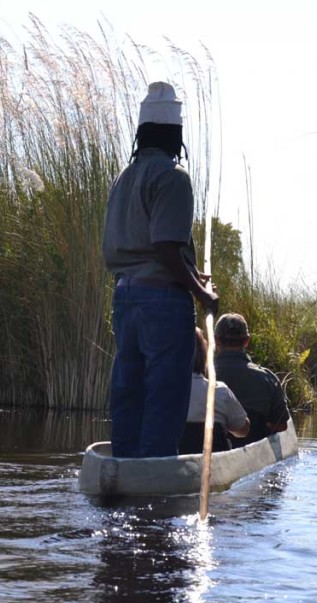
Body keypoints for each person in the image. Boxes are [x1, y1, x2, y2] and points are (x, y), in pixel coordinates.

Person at [103, 82, 218, 458]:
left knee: (129, 390)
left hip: (125, 297)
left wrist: (190, 271)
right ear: (175, 135)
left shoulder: (124, 178)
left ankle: (123, 466)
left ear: (143, 133)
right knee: (164, 395)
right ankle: (152, 478)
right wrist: (200, 293)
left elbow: (154, 248)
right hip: (162, 303)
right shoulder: (173, 177)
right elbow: (165, 246)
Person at [213, 313, 290, 447]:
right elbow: (282, 426)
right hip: (255, 456)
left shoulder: (202, 376)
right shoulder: (268, 378)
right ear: (247, 341)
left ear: (216, 340)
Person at [179, 328, 250, 454]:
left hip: (172, 465)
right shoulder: (220, 392)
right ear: (203, 355)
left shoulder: (156, 395)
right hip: (215, 465)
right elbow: (243, 430)